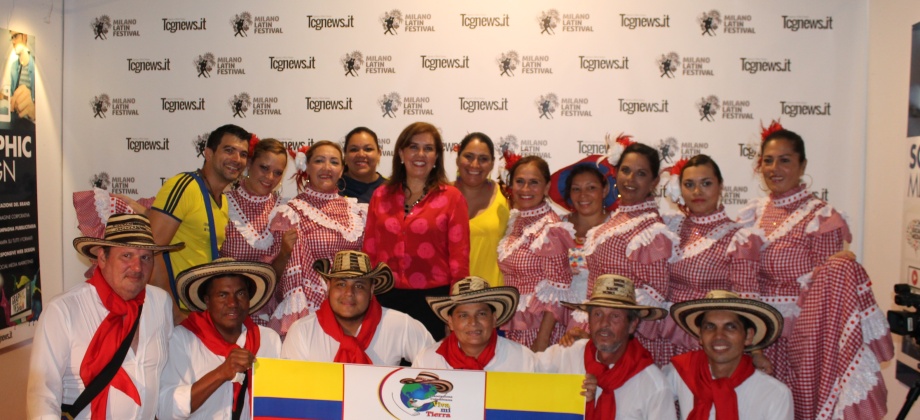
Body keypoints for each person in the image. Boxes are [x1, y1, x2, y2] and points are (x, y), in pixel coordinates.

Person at [737, 122, 893, 419]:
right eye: (768, 161)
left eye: (785, 160)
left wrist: (801, 347)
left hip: (805, 342)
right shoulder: (752, 214)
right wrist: (754, 344)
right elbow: (743, 280)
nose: (774, 168)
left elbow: (825, 293)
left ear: (802, 164)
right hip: (758, 335)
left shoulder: (820, 216)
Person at [27, 214, 183, 419]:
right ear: (102, 258)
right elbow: (42, 397)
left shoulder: (160, 302)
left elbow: (163, 378)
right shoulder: (63, 310)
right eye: (127, 256)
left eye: (145, 257)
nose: (137, 267)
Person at [656, 155, 767, 370]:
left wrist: (755, 352)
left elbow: (747, 298)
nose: (697, 192)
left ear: (720, 186)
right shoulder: (669, 227)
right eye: (689, 185)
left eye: (706, 183)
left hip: (709, 341)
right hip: (664, 336)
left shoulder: (739, 237)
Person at [363, 122, 470, 341]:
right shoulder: (380, 195)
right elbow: (369, 254)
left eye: (428, 148)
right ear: (401, 153)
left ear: (437, 157)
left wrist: (454, 311)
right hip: (385, 301)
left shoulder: (452, 198)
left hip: (433, 303)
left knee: (427, 371)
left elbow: (459, 264)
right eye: (413, 147)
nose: (420, 154)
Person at [583, 140, 675, 366]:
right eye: (625, 170)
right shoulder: (614, 221)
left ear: (654, 181)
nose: (630, 180)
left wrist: (614, 321)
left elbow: (655, 293)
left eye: (641, 174)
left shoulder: (652, 229)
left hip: (634, 338)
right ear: (615, 173)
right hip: (604, 334)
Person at [149, 124, 252, 320]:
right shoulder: (185, 186)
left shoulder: (222, 203)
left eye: (243, 154)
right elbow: (151, 251)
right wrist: (172, 312)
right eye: (229, 150)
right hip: (173, 313)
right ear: (208, 153)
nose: (237, 159)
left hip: (198, 315)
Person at [537, 275, 676, 420]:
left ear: (632, 324)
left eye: (615, 316)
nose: (604, 323)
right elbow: (526, 370)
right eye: (598, 314)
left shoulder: (653, 385)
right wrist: (570, 395)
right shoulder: (568, 354)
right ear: (588, 319)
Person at [158, 258, 282, 420]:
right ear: (207, 301)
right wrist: (220, 374)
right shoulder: (182, 339)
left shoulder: (268, 339)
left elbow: (279, 402)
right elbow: (165, 410)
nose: (232, 303)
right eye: (222, 295)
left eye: (241, 294)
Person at [267, 141, 365, 336]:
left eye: (334, 162)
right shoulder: (290, 212)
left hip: (351, 309)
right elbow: (277, 277)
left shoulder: (358, 211)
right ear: (306, 167)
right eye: (319, 161)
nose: (327, 168)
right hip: (312, 317)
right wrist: (286, 251)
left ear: (342, 169)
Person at [282, 250, 433, 365]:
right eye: (341, 284)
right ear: (328, 287)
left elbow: (437, 369)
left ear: (372, 290)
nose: (349, 293)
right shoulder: (302, 331)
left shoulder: (401, 325)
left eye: (359, 286)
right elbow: (290, 391)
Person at [664, 290, 792, 420]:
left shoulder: (774, 394)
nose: (719, 335)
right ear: (700, 336)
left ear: (748, 336)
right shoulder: (683, 372)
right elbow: (647, 393)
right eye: (710, 327)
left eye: (730, 327)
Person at [498, 156, 575, 352]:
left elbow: (558, 290)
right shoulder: (517, 219)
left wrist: (542, 340)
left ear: (547, 187)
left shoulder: (551, 228)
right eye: (520, 182)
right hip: (514, 321)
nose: (525, 189)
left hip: (539, 327)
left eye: (534, 182)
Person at [220, 138, 296, 326]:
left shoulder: (285, 210)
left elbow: (278, 277)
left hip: (268, 315)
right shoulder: (221, 203)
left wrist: (285, 252)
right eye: (264, 168)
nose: (270, 177)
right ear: (249, 164)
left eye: (277, 172)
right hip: (226, 312)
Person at [548, 156, 618, 336]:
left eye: (591, 188)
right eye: (576, 189)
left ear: (605, 190)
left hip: (602, 319)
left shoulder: (618, 227)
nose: (583, 195)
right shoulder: (558, 227)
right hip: (557, 318)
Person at [412, 276, 535, 371]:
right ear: (451, 322)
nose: (473, 322)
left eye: (481, 314)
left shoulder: (522, 359)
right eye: (463, 316)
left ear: (494, 319)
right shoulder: (426, 362)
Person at [454, 132, 509, 286]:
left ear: (492, 164)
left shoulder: (507, 197)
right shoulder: (440, 196)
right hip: (447, 299)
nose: (475, 164)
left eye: (483, 159)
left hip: (491, 299)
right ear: (458, 159)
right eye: (469, 156)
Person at [340, 126, 386, 204]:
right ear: (345, 155)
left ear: (379, 154)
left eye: (368, 149)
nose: (361, 154)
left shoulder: (392, 188)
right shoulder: (333, 189)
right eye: (354, 149)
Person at [7, 31, 35, 122]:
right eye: (12, 38)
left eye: (15, 36)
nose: (13, 42)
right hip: (17, 122)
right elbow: (11, 95)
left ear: (25, 37)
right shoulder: (13, 67)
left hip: (31, 124)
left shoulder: (37, 67)